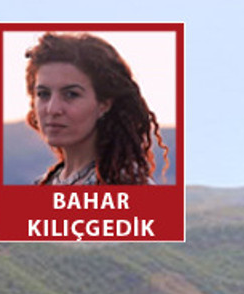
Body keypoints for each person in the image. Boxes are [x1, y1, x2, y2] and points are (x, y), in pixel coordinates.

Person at [24, 32, 168, 185]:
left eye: (71, 94)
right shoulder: (44, 184)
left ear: (104, 104)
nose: (53, 109)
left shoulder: (129, 186)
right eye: (43, 94)